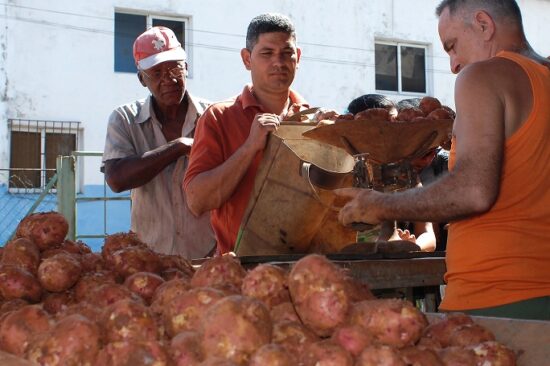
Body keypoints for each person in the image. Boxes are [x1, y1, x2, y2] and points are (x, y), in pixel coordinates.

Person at [336, 0, 550, 320]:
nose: (452, 65)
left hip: (498, 300)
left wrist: (379, 205)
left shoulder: (484, 76)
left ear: (483, 24)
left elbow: (473, 190)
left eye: (452, 47)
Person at [184, 13, 318, 255]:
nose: (279, 62)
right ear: (247, 59)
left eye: (287, 53)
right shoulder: (218, 117)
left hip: (307, 266)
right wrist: (249, 148)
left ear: (298, 58)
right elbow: (197, 201)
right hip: (241, 271)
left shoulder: (314, 120)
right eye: (267, 53)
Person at [102, 26, 214, 259]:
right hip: (149, 261)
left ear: (187, 67)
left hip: (209, 256)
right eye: (156, 72)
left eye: (175, 67)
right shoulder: (124, 119)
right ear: (142, 79)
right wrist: (179, 147)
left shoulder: (214, 117)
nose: (169, 79)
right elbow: (117, 179)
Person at [347, 94, 437, 252]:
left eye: (396, 125)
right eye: (381, 127)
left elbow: (428, 235)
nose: (391, 134)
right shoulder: (345, 175)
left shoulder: (406, 174)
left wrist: (412, 245)